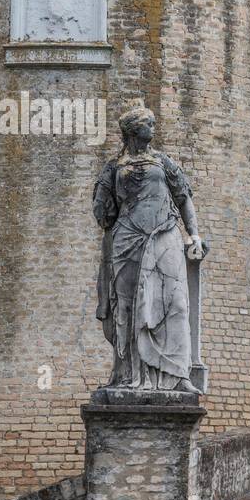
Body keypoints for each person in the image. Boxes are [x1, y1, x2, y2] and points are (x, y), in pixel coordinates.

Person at [93, 106, 204, 392]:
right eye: (148, 124)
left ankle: (178, 376)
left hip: (165, 234)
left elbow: (184, 198)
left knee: (176, 302)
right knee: (128, 308)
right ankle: (128, 375)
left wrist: (194, 236)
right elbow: (103, 212)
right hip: (127, 241)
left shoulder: (163, 162)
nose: (153, 129)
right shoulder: (114, 167)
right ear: (132, 131)